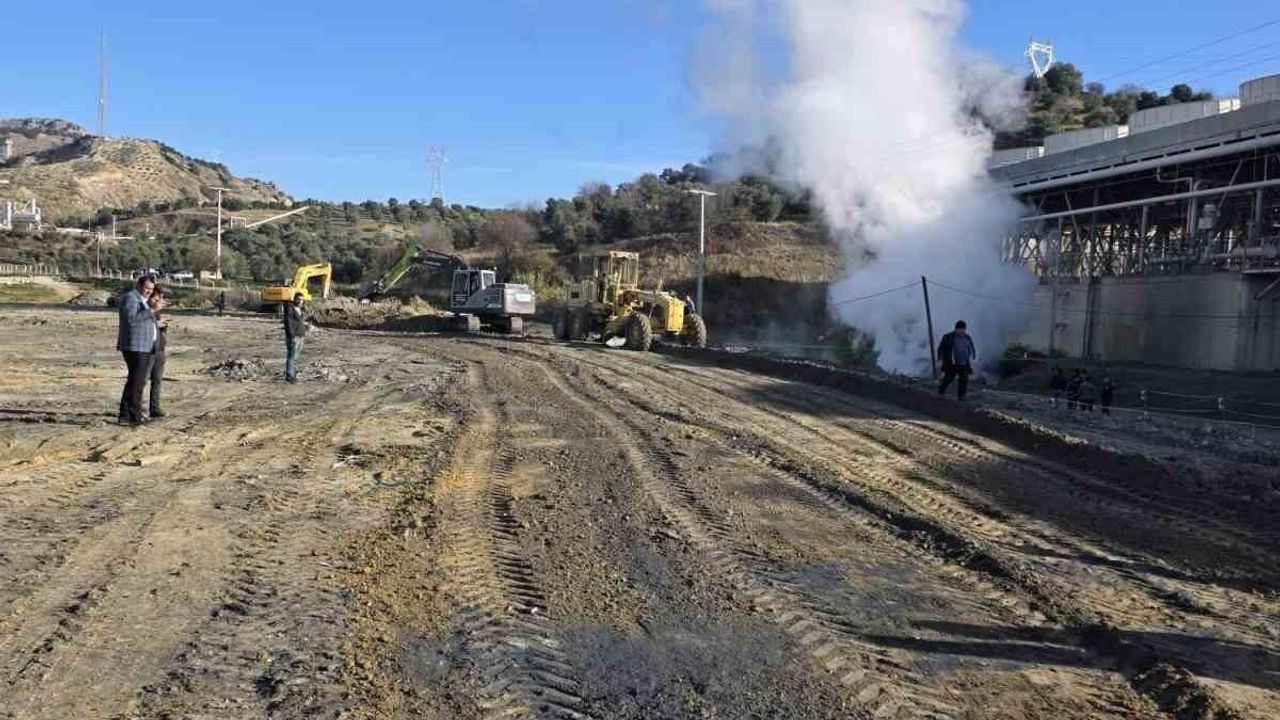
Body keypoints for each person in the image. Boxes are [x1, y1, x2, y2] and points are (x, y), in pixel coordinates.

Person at [117, 275, 157, 426]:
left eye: (151, 289)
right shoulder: (131, 298)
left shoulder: (142, 300)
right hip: (135, 346)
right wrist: (151, 310)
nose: (149, 291)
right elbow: (131, 320)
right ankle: (133, 415)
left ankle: (127, 415)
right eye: (147, 288)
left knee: (135, 381)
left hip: (144, 346)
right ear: (139, 285)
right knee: (136, 382)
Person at [936, 320, 976, 400]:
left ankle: (961, 397)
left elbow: (971, 348)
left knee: (963, 380)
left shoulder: (967, 337)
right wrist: (940, 359)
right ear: (956, 329)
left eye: (963, 329)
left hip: (964, 363)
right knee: (948, 379)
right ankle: (940, 392)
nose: (961, 331)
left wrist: (973, 356)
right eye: (959, 329)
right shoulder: (948, 337)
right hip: (952, 363)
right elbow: (941, 349)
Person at [146, 286, 169, 418]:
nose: (160, 301)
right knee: (141, 381)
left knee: (157, 380)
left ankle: (155, 408)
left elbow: (159, 331)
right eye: (157, 298)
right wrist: (156, 324)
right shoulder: (144, 311)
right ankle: (134, 408)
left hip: (159, 350)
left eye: (160, 298)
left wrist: (164, 327)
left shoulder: (157, 312)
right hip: (147, 350)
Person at [283, 294, 308, 383]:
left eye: (302, 300)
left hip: (300, 335)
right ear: (295, 300)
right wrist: (291, 335)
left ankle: (293, 373)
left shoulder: (299, 310)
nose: (301, 301)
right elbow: (288, 323)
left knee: (296, 356)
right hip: (294, 337)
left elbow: (299, 322)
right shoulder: (290, 309)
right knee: (292, 356)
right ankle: (290, 376)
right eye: (299, 299)